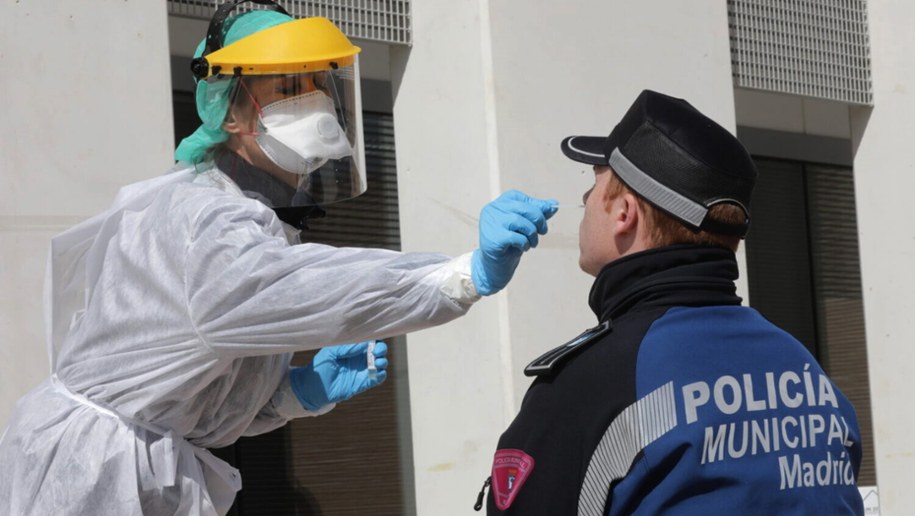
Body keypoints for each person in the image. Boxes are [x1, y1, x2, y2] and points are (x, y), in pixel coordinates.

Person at [0, 3, 557, 515]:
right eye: (288, 85)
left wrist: (289, 393)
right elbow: (310, 288)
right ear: (232, 113)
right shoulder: (207, 222)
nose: (313, 98)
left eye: (318, 82)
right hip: (94, 479)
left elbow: (194, 400)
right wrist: (459, 276)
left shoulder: (247, 214)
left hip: (138, 469)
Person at [478, 89, 864, 515]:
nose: (585, 201)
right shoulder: (804, 368)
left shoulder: (591, 385)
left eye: (594, 184)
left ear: (625, 214)